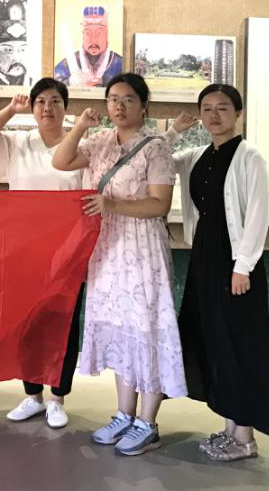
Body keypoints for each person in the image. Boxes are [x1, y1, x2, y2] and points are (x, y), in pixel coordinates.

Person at [166, 84, 269, 462]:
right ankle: (232, 430)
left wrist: (243, 267)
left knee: (240, 344)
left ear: (238, 114)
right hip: (205, 260)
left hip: (236, 266)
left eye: (223, 108)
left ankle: (245, 438)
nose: (214, 115)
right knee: (216, 343)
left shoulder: (249, 158)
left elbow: (257, 215)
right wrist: (174, 131)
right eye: (207, 109)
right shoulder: (197, 155)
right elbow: (158, 158)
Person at [51, 72, 184, 456]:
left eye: (128, 99)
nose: (119, 106)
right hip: (108, 248)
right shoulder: (101, 141)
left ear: (144, 106)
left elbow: (159, 204)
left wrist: (111, 204)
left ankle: (148, 422)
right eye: (113, 99)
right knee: (123, 330)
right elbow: (61, 160)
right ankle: (125, 414)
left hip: (142, 250)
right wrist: (80, 126)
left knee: (146, 329)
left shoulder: (156, 147)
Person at [0, 78, 83, 429]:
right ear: (33, 108)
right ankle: (33, 395)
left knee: (64, 326)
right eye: (40, 102)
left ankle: (57, 399)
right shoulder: (20, 143)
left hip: (69, 250)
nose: (48, 108)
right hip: (24, 250)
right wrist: (10, 109)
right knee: (27, 325)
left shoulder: (79, 147)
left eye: (55, 101)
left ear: (65, 107)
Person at [54, 5, 123, 88]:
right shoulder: (66, 65)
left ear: (106, 35)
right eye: (88, 33)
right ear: (82, 35)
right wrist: (70, 82)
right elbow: (55, 85)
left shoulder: (119, 63)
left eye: (99, 33)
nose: (93, 41)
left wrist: (105, 81)